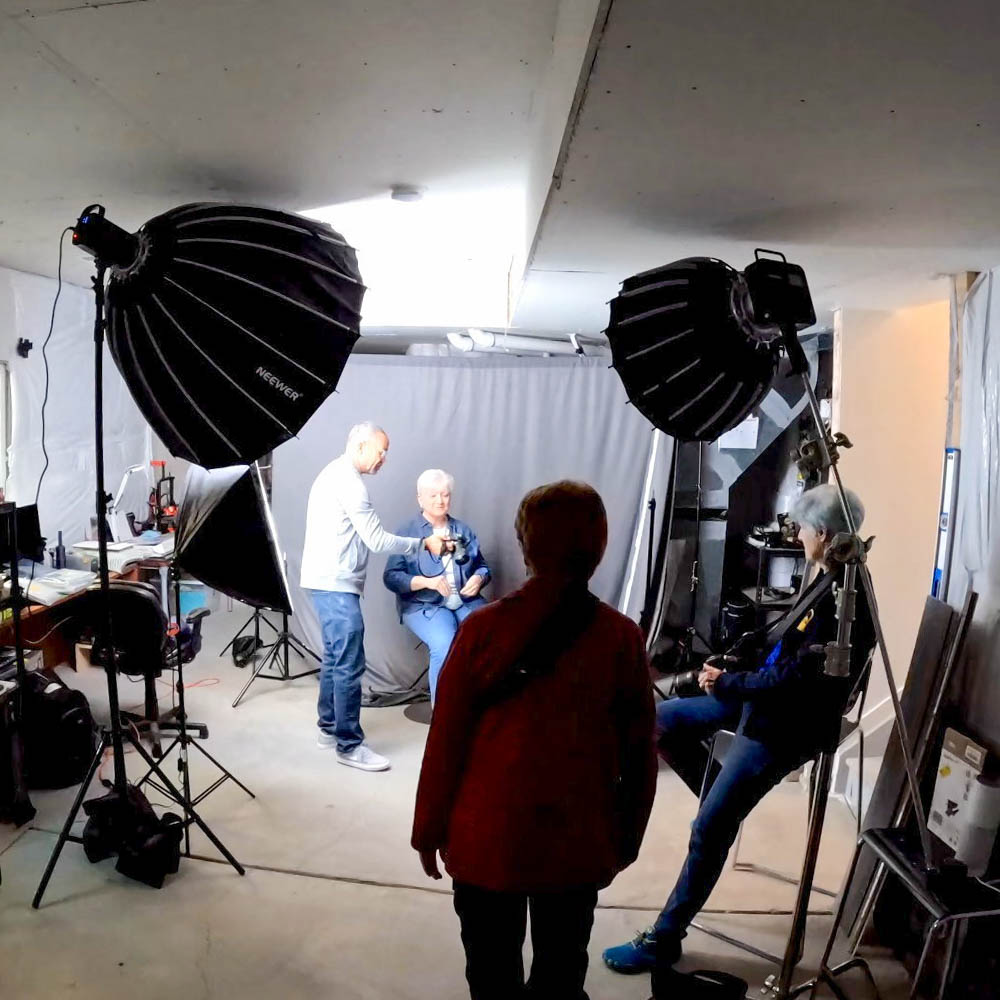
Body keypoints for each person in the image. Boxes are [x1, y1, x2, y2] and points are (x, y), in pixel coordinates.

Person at [603, 483, 876, 977]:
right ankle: (720, 799)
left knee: (707, 831)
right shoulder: (824, 576)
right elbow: (780, 648)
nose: (797, 535)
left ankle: (665, 937)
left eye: (802, 528)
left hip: (784, 725)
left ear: (823, 532)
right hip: (760, 701)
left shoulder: (847, 600)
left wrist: (730, 681)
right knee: (660, 722)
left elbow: (795, 682)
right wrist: (728, 669)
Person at [412, 481, 657, 1000]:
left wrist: (428, 827)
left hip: (486, 835)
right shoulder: (620, 638)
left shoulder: (482, 631)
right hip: (576, 838)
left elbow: (447, 741)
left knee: (491, 972)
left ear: (524, 545)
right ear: (600, 547)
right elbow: (640, 754)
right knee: (561, 975)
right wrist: (626, 835)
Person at [300, 422, 450, 772]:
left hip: (325, 580)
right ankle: (349, 745)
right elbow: (378, 541)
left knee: (337, 656)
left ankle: (328, 728)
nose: (384, 459)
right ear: (361, 446)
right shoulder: (350, 484)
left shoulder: (335, 473)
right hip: (334, 583)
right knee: (349, 661)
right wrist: (422, 543)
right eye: (381, 451)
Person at [383, 469, 491, 704]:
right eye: (433, 495)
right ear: (420, 498)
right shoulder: (408, 532)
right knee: (445, 643)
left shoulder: (463, 530)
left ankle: (481, 709)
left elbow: (482, 566)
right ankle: (442, 714)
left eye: (445, 495)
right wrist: (427, 582)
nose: (440, 501)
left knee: (490, 635)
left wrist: (479, 578)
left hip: (464, 600)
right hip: (423, 605)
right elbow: (391, 577)